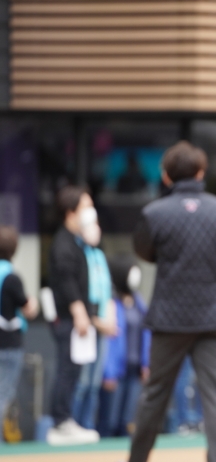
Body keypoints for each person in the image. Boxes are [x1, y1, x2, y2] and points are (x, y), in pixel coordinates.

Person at [129, 141, 216, 462]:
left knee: (154, 395)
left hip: (169, 318)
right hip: (215, 318)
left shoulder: (153, 213)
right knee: (215, 398)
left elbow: (144, 252)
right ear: (201, 173)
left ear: (166, 177)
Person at [47, 186, 116, 445]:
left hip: (82, 319)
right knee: (68, 369)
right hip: (69, 320)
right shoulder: (63, 242)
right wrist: (79, 313)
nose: (91, 212)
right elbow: (66, 281)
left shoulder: (80, 243)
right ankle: (61, 422)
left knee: (76, 371)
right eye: (85, 207)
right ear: (70, 212)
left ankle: (68, 421)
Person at [71, 204, 117, 431]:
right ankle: (73, 424)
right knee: (82, 381)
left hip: (102, 326)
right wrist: (95, 320)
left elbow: (107, 292)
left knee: (94, 382)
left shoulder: (99, 255)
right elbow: (79, 292)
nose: (96, 229)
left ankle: (87, 425)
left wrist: (109, 319)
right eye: (92, 225)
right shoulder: (77, 254)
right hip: (84, 326)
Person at [98, 255, 151, 437]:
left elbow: (146, 333)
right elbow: (109, 342)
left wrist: (146, 364)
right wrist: (108, 373)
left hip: (134, 370)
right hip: (116, 373)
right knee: (108, 421)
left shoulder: (139, 303)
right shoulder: (111, 303)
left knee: (127, 422)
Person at [0, 225, 39, 440]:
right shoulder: (11, 278)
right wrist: (33, 303)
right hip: (7, 345)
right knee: (3, 394)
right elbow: (28, 308)